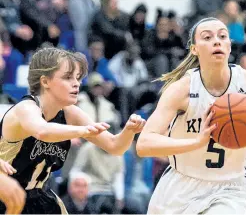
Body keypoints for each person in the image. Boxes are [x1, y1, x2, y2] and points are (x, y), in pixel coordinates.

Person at [136, 17, 246, 214]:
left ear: (229, 46)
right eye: (207, 37)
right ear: (194, 49)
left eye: (223, 36)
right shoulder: (182, 90)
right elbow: (144, 144)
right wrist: (196, 142)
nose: (217, 41)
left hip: (230, 188)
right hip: (181, 186)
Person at [0, 47, 145, 214]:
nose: (76, 83)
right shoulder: (26, 108)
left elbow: (115, 146)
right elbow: (43, 131)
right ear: (45, 81)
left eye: (77, 77)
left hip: (39, 197)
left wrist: (128, 131)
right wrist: (82, 131)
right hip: (5, 192)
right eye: (68, 77)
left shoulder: (70, 112)